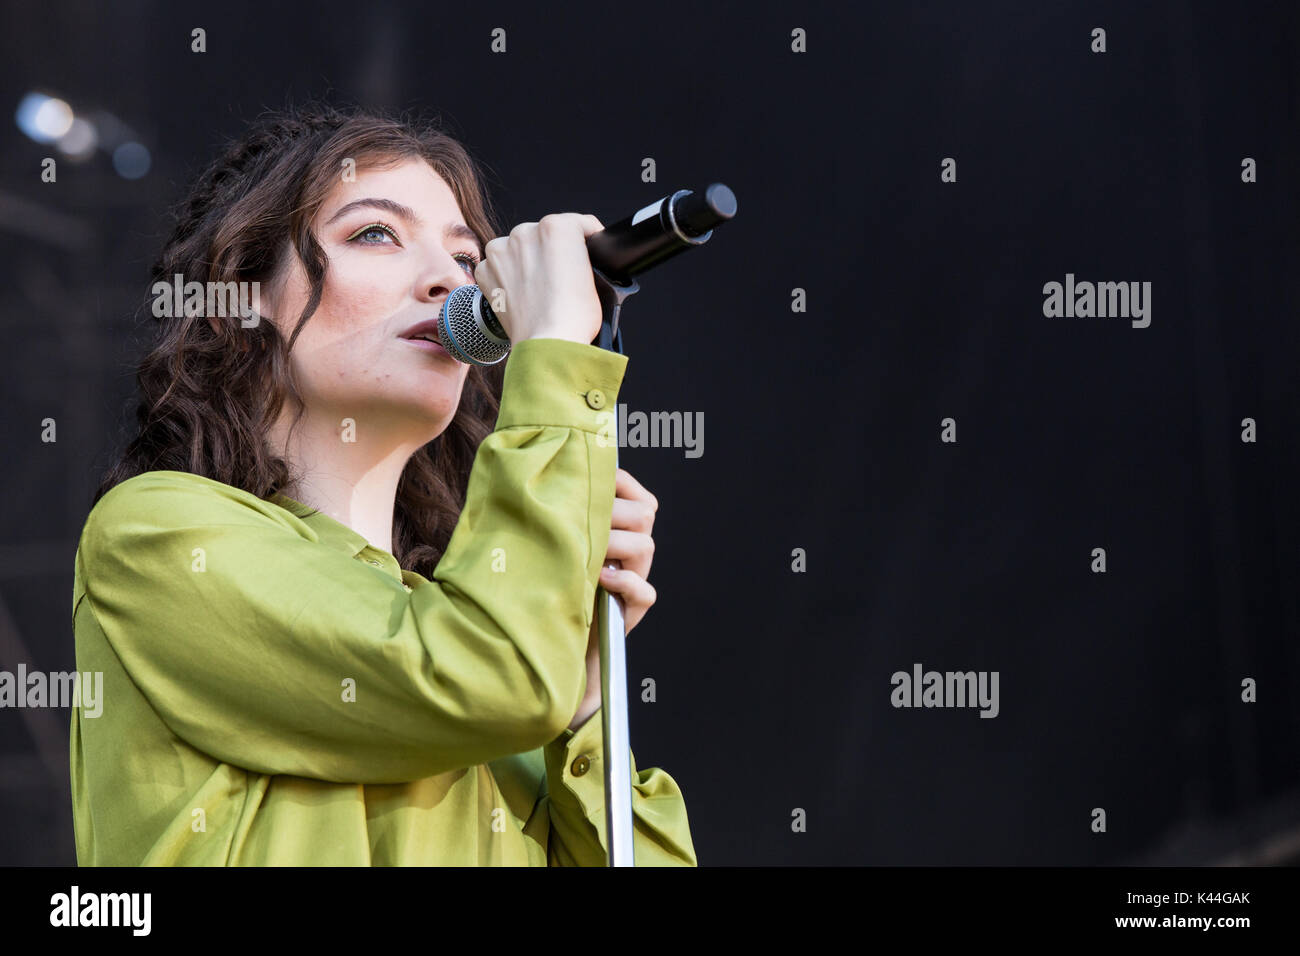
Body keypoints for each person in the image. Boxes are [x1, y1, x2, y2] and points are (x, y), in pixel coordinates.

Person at [69, 103, 697, 866]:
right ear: (244, 295)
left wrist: (581, 704)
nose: (447, 280)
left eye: (469, 260)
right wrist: (559, 360)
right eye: (375, 234)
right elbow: (476, 676)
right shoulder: (155, 533)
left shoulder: (477, 629)